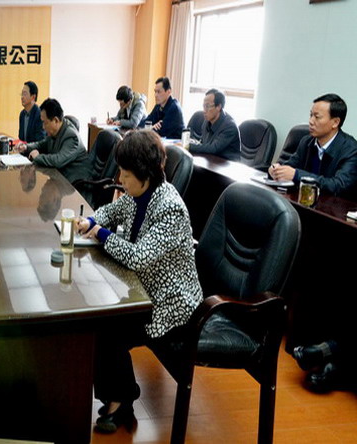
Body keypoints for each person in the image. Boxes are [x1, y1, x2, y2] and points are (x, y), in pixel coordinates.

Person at [74, 130, 203, 433]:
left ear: (145, 173)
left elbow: (138, 257)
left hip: (171, 303)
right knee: (100, 318)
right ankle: (118, 393)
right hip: (144, 287)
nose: (120, 178)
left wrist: (100, 234)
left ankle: (123, 399)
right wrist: (92, 220)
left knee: (110, 328)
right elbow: (112, 210)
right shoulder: (139, 194)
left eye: (126, 173)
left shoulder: (169, 207)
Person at [269, 93, 357, 198]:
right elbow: (290, 165)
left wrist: (297, 175)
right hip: (304, 202)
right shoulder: (307, 141)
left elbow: (338, 186)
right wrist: (276, 170)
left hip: (334, 206)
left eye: (317, 117)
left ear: (335, 122)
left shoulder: (351, 149)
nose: (311, 121)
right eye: (311, 115)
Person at [14, 98, 92, 184]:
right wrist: (26, 147)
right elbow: (42, 144)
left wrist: (37, 157)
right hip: (60, 177)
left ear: (55, 120)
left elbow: (58, 160)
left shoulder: (72, 137)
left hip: (76, 183)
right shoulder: (55, 131)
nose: (43, 127)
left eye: (45, 123)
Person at [187, 88, 241, 161]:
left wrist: (186, 146)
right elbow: (204, 145)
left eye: (207, 106)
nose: (204, 111)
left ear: (218, 107)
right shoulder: (207, 121)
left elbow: (213, 149)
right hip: (211, 161)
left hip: (228, 164)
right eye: (203, 106)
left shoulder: (230, 126)